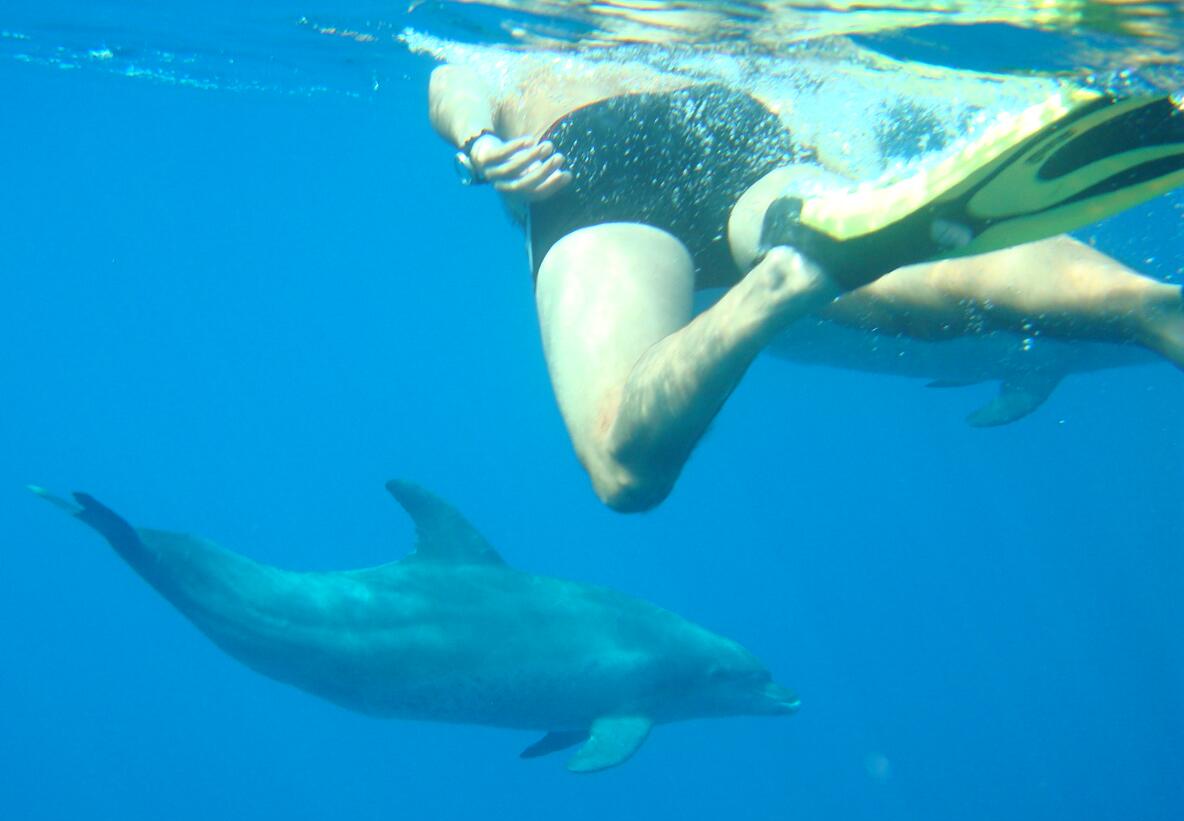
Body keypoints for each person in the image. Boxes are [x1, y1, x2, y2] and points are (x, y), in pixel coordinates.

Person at [428, 52, 1184, 512]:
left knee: (622, 465)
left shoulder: (524, 42)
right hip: (730, 124)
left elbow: (452, 83)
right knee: (910, 283)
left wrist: (480, 140)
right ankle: (1148, 306)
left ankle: (785, 284)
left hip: (589, 163)